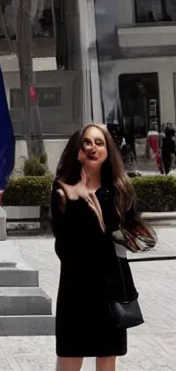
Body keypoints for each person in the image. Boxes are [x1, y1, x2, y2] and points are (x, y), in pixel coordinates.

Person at [51, 124, 156, 371]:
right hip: (75, 287)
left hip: (111, 287)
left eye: (100, 142)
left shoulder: (119, 189)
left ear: (108, 150)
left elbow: (133, 233)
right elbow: (62, 242)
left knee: (108, 357)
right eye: (87, 142)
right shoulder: (63, 188)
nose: (93, 147)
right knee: (69, 356)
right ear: (78, 149)